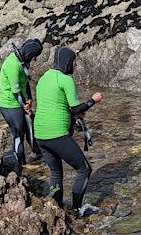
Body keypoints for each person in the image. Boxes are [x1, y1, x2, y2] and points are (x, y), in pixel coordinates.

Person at [34, 46, 103, 211]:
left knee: (56, 173)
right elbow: (76, 109)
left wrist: (74, 116)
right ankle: (76, 209)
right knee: (84, 169)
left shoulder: (44, 78)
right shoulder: (66, 80)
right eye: (74, 61)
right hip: (56, 134)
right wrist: (93, 100)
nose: (76, 65)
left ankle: (56, 208)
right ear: (67, 62)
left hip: (40, 134)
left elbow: (56, 104)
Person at [0, 38, 43, 165]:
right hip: (10, 105)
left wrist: (29, 99)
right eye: (34, 57)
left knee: (31, 126)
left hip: (20, 102)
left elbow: (26, 82)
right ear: (30, 54)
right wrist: (25, 106)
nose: (35, 60)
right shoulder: (14, 65)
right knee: (19, 134)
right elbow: (16, 92)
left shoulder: (22, 62)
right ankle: (21, 164)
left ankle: (37, 154)